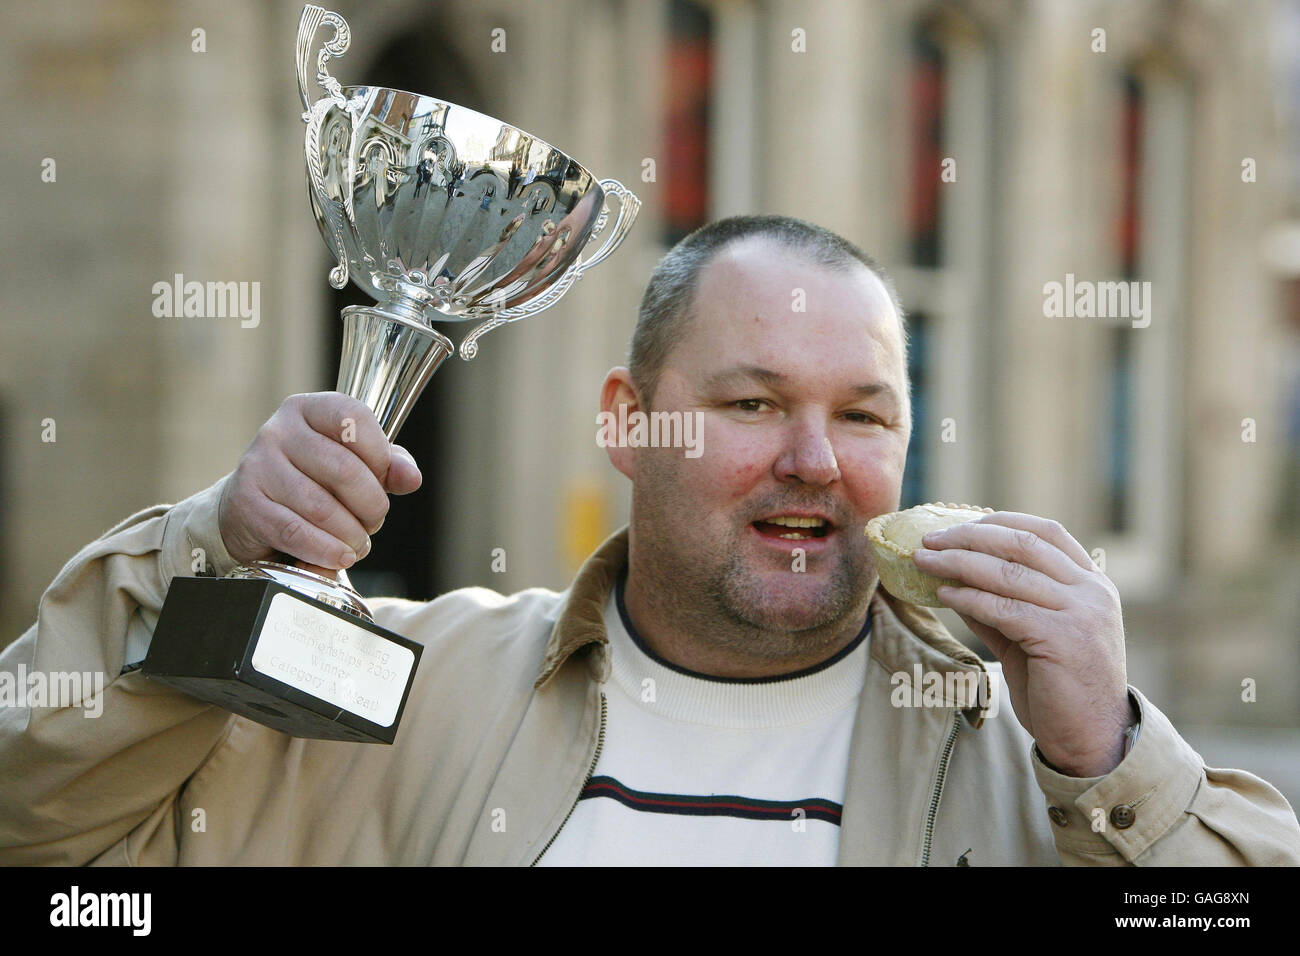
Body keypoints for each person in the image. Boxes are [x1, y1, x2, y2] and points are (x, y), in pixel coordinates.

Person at [2, 215, 1298, 866]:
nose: (811, 459)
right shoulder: (405, 687)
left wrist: (1117, 758)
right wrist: (213, 551)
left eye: (862, 415)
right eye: (749, 404)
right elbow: (44, 825)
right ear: (627, 425)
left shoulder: (1035, 763)